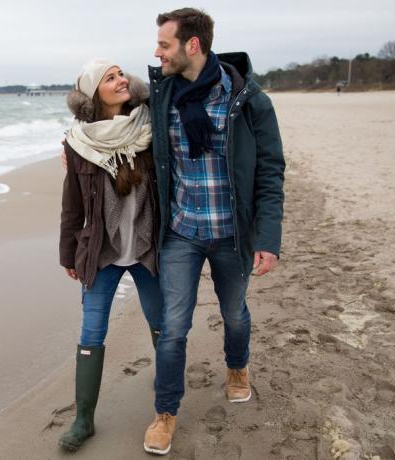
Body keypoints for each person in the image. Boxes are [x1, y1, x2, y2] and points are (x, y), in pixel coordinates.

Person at [142, 8, 285, 455]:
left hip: (232, 234)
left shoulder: (249, 99)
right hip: (181, 233)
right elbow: (113, 119)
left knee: (235, 314)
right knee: (173, 326)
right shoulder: (161, 96)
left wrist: (267, 238)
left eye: (164, 44)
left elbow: (270, 171)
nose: (157, 52)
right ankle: (166, 412)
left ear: (192, 45)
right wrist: (75, 145)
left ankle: (237, 368)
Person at [58, 59, 163, 452]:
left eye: (121, 74)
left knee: (161, 324)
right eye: (110, 77)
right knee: (91, 332)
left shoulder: (151, 128)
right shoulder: (78, 143)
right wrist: (68, 254)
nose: (121, 80)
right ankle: (84, 418)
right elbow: (72, 205)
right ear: (92, 93)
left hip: (147, 248)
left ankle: (165, 388)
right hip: (101, 252)